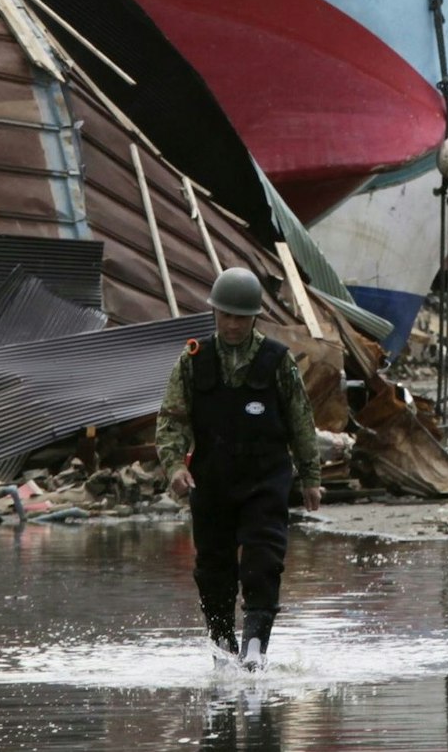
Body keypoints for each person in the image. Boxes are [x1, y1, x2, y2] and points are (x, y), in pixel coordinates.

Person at [157, 266, 323, 670]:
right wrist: (175, 467)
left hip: (265, 479)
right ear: (214, 314)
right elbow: (172, 419)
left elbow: (301, 421)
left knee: (263, 561)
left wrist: (311, 477)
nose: (232, 324)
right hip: (211, 480)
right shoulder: (194, 361)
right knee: (212, 570)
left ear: (253, 318)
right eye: (225, 315)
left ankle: (254, 646)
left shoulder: (277, 362)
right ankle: (222, 646)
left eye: (240, 317)